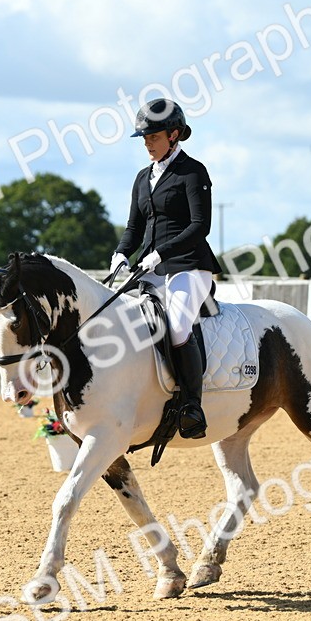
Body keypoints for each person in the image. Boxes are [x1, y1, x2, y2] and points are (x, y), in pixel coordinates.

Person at [112, 98, 222, 439]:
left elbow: (199, 226)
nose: (147, 142)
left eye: (154, 136)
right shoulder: (143, 178)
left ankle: (192, 406)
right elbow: (134, 227)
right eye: (144, 137)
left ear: (174, 135)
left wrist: (161, 253)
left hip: (190, 265)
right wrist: (120, 253)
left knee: (176, 326)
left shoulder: (193, 172)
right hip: (150, 266)